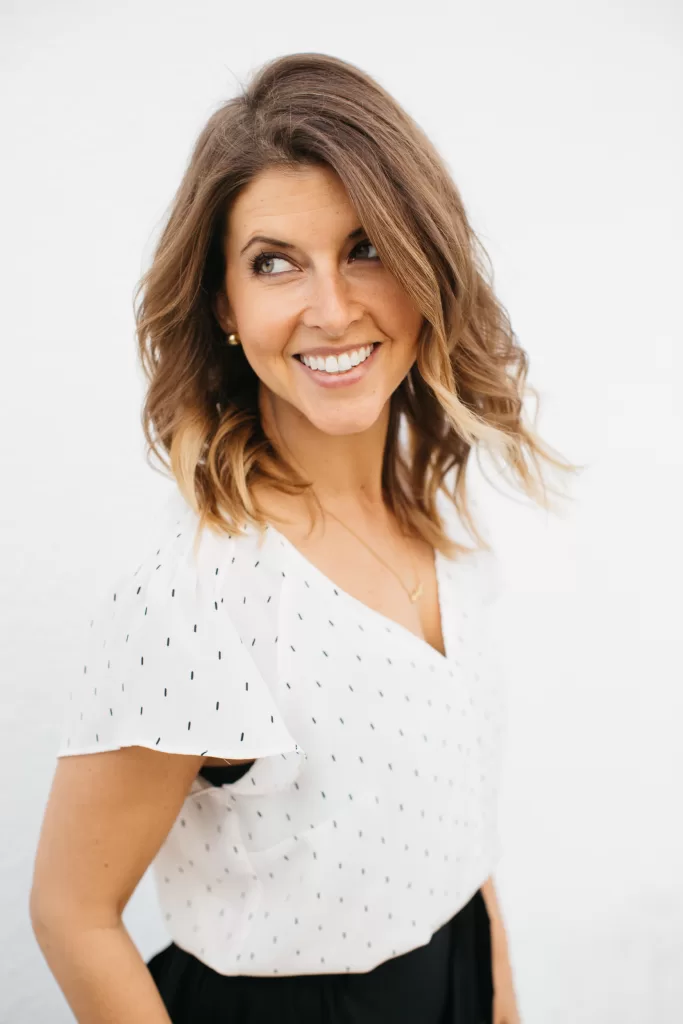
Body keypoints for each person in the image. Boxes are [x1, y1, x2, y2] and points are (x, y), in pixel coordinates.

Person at [30, 51, 575, 1024]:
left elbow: (459, 844)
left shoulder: (445, 524)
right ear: (222, 306)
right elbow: (72, 913)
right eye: (274, 261)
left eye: (366, 248)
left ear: (424, 269)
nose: (330, 308)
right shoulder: (197, 597)